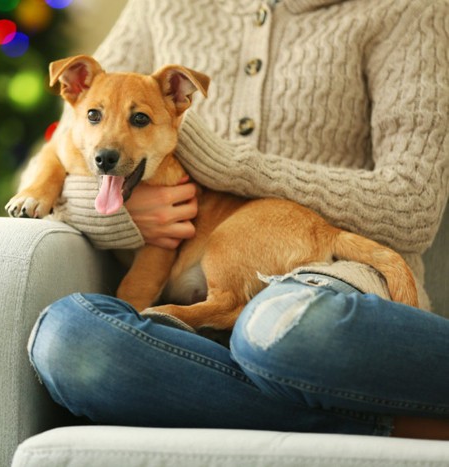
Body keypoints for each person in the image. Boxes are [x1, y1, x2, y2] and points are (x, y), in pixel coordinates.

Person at [27, 0, 449, 438]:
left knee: (279, 326)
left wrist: (230, 166)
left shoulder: (407, 8)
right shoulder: (160, 5)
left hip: (327, 277)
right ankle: (380, 422)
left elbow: (412, 205)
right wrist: (118, 210)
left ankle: (225, 381)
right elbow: (76, 138)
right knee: (67, 339)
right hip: (193, 291)